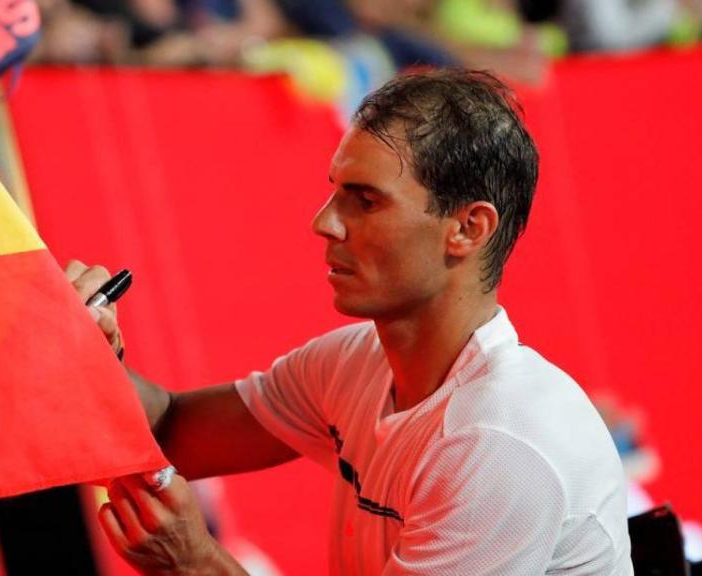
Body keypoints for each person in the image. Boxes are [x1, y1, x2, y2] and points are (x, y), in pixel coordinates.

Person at [66, 68, 632, 574]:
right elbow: (167, 435)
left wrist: (197, 564)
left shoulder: (500, 443)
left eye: (365, 201)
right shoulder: (354, 361)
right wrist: (95, 352)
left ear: (468, 228)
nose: (324, 223)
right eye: (334, 192)